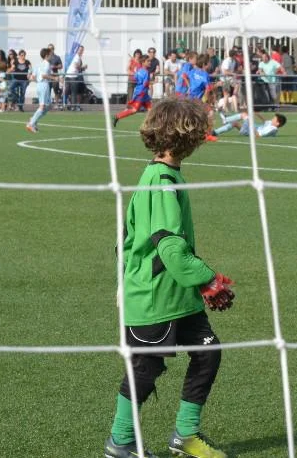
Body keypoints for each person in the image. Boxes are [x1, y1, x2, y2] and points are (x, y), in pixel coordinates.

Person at [103, 98, 233, 458]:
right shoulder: (161, 181)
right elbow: (170, 246)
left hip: (176, 294)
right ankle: (120, 440)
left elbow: (126, 240)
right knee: (146, 368)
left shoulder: (165, 174)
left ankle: (185, 435)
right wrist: (208, 279)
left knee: (207, 353)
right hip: (155, 296)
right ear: (188, 135)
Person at [114, 56, 154, 127]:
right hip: (141, 93)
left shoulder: (139, 71)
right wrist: (153, 81)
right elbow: (145, 84)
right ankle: (117, 116)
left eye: (149, 61)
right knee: (134, 110)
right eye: (148, 61)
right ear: (143, 62)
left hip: (143, 93)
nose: (149, 62)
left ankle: (150, 125)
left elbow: (135, 78)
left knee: (151, 110)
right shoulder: (146, 72)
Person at [25, 48, 55, 133]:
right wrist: (55, 78)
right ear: (46, 56)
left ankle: (33, 119)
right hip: (44, 85)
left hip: (39, 85)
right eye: (51, 55)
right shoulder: (47, 64)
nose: (52, 56)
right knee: (42, 106)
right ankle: (31, 124)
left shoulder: (38, 64)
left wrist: (32, 77)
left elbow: (32, 78)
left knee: (48, 106)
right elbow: (44, 75)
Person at [213, 110, 287, 138]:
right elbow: (265, 121)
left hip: (252, 132)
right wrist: (257, 113)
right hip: (253, 128)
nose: (272, 119)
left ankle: (226, 119)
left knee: (244, 115)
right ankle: (215, 132)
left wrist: (251, 125)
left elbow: (258, 135)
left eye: (274, 119)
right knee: (235, 123)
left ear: (277, 123)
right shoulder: (271, 124)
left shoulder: (273, 129)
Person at [66, 45, 88, 112]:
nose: (81, 51)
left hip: (69, 75)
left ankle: (70, 105)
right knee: (73, 92)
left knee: (69, 92)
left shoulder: (76, 57)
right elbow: (76, 66)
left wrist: (82, 68)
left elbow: (76, 67)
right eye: (80, 50)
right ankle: (73, 106)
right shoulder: (77, 57)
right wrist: (83, 67)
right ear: (77, 50)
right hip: (72, 76)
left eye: (82, 50)